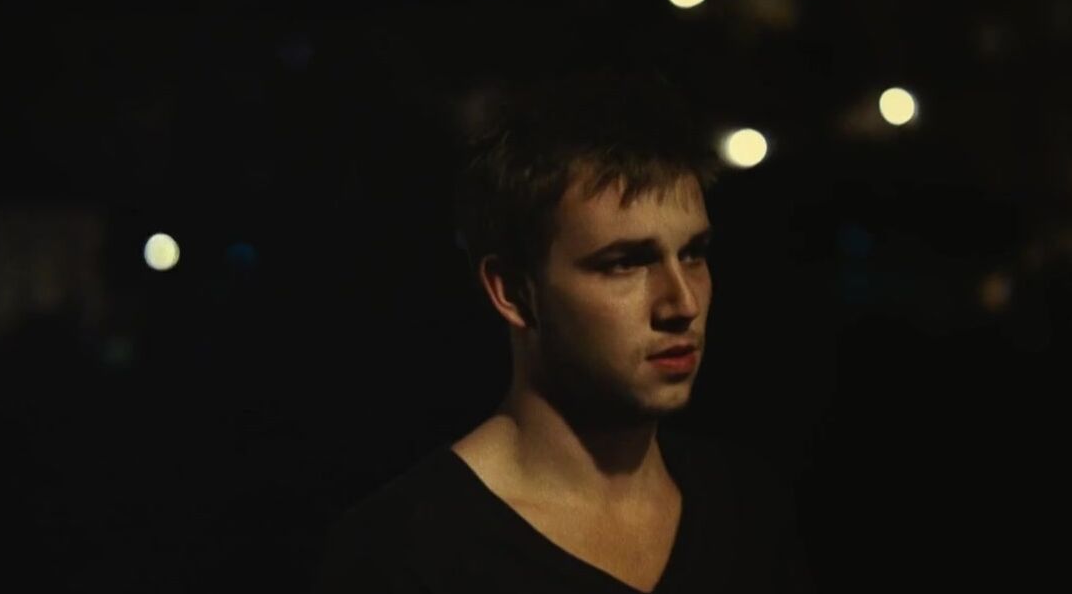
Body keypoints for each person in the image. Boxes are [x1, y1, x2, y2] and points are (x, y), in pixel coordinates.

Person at [314, 69, 813, 593]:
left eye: (693, 253)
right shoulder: (405, 552)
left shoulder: (747, 510)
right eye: (625, 263)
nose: (682, 303)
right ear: (512, 291)